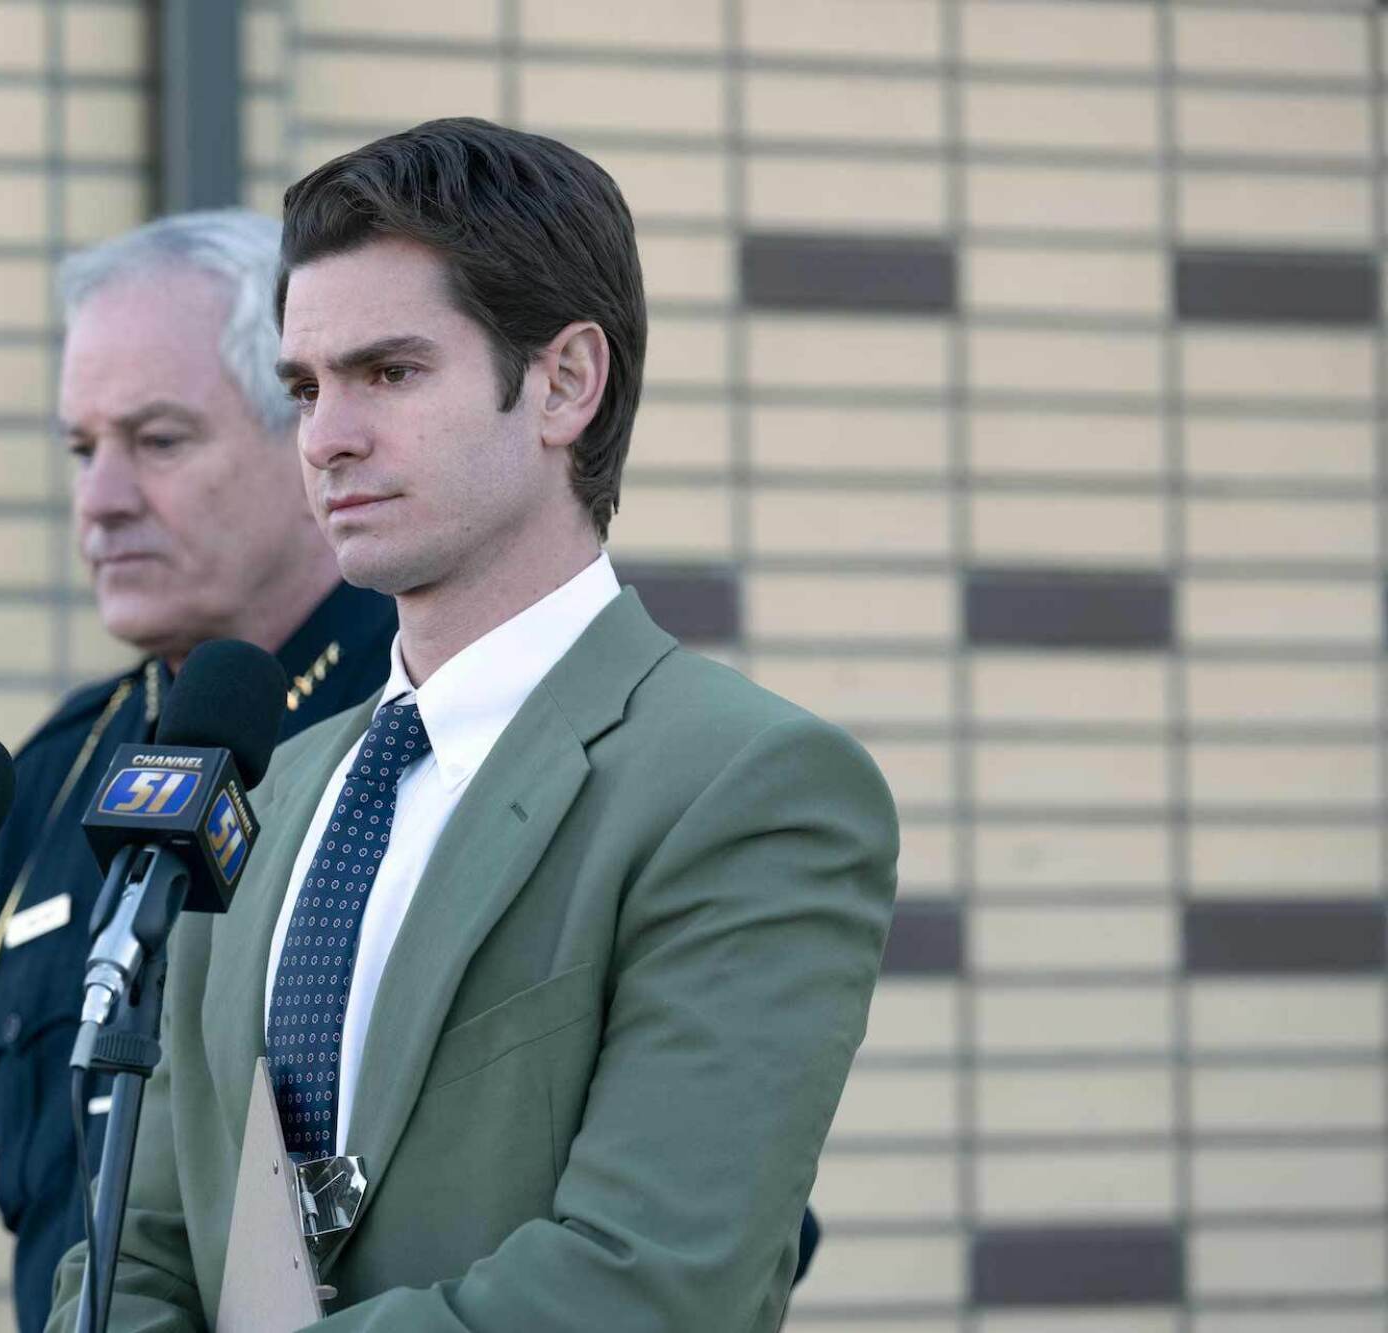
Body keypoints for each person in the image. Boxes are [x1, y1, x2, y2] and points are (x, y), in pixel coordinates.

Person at [48, 119, 894, 1332]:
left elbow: (650, 1280)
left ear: (563, 382)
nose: (327, 437)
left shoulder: (745, 782)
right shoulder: (268, 786)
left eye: (388, 373)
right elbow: (131, 1249)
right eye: (304, 386)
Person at [0, 209, 398, 1333]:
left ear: (307, 431)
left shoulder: (419, 726)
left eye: (158, 441)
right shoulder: (54, 778)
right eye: (80, 449)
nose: (100, 500)